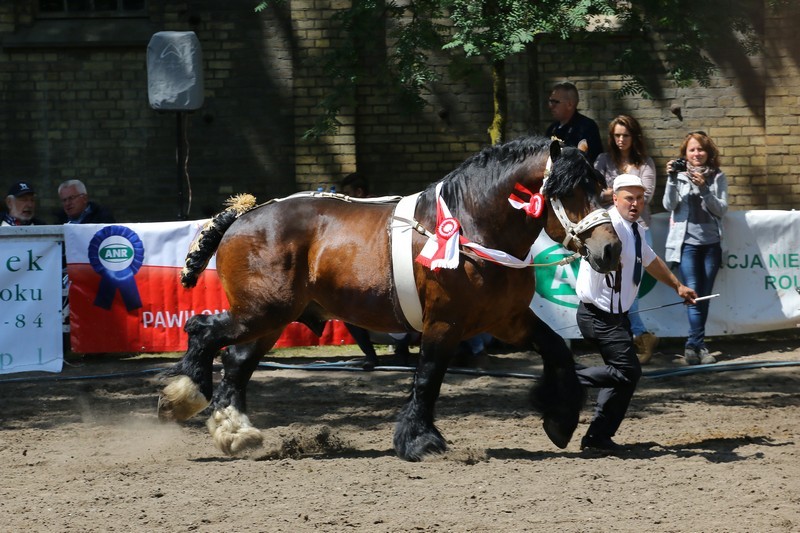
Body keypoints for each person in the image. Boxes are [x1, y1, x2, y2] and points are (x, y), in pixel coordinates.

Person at [575, 174, 696, 451]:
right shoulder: (605, 228)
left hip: (617, 317)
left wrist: (677, 286)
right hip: (599, 315)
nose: (635, 203)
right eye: (629, 198)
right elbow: (591, 250)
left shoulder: (635, 228)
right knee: (628, 372)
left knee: (622, 377)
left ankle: (597, 438)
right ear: (615, 198)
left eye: (640, 198)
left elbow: (651, 261)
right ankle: (568, 377)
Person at [594, 115, 659, 364]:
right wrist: (620, 192)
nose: (620, 140)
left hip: (638, 230)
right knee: (612, 288)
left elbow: (646, 196)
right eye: (617, 135)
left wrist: (614, 193)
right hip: (607, 231)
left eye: (625, 135)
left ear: (634, 137)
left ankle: (637, 337)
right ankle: (637, 338)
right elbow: (593, 192)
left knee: (629, 287)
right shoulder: (603, 160)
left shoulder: (645, 163)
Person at [663, 131, 728, 366]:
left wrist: (705, 189)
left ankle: (693, 346)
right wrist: (671, 178)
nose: (697, 153)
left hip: (711, 244)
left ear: (708, 153)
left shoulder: (717, 176)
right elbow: (668, 204)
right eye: (692, 150)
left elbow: (721, 209)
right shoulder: (679, 176)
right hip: (687, 244)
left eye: (701, 149)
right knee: (693, 296)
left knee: (705, 297)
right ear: (685, 154)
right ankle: (696, 345)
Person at [339, 172, 411, 369]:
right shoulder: (353, 215)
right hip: (364, 273)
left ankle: (399, 352)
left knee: (398, 306)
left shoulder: (377, 209)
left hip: (388, 269)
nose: (345, 199)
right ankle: (372, 356)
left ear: (359, 192)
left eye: (348, 194)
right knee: (346, 311)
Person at [544, 81, 603, 164]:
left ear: (569, 104)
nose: (551, 106)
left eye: (555, 102)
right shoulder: (552, 129)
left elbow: (592, 159)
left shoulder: (587, 127)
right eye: (550, 101)